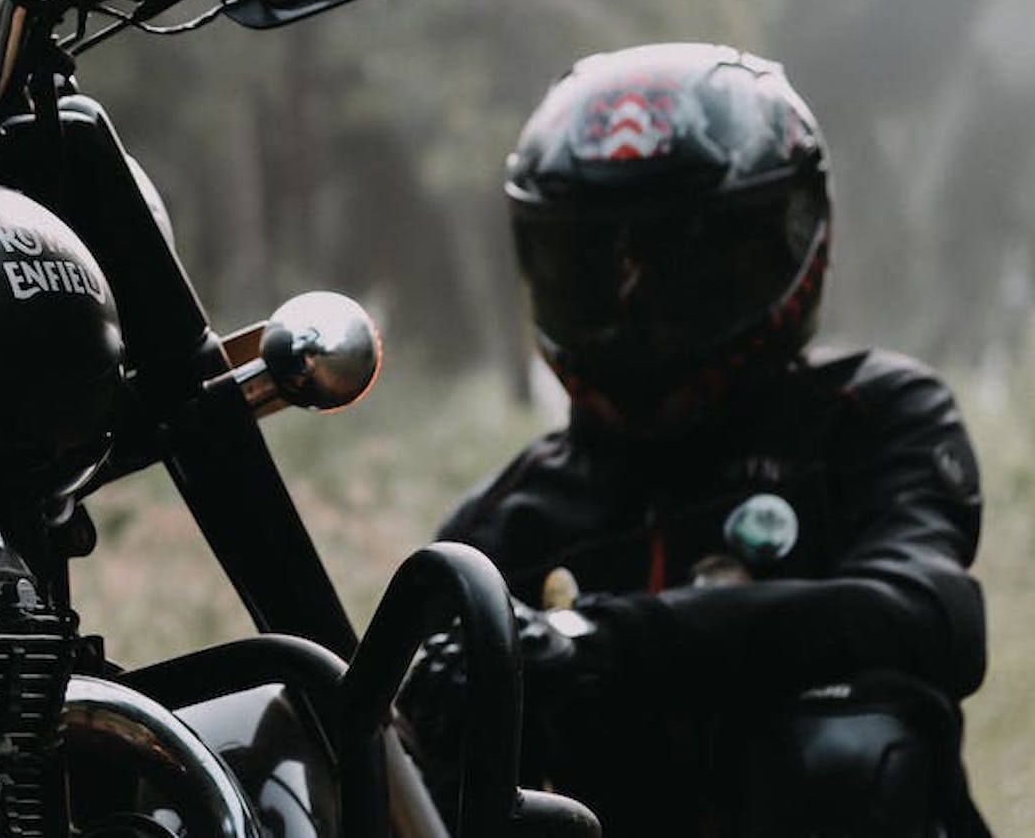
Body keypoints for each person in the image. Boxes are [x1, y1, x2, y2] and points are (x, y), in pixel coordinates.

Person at [401, 42, 989, 837]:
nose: (638, 307)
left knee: (852, 743)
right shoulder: (506, 523)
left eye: (684, 260)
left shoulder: (868, 413)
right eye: (595, 264)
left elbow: (929, 615)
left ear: (789, 230)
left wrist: (589, 642)